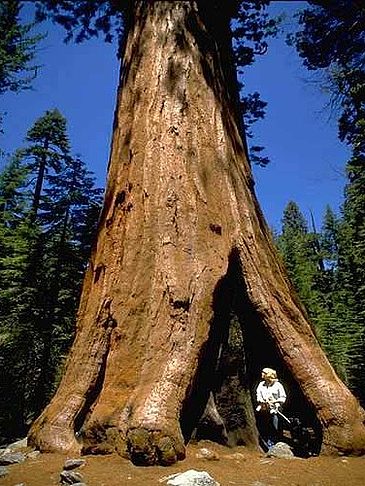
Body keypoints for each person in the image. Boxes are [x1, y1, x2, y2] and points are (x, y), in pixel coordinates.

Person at [255, 367, 287, 448]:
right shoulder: (261, 385)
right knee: (263, 426)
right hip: (263, 408)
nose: (262, 374)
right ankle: (264, 443)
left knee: (274, 427)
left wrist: (275, 401)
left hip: (274, 409)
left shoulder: (278, 385)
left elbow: (283, 397)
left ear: (268, 375)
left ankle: (273, 444)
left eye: (264, 373)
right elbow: (258, 395)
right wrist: (262, 401)